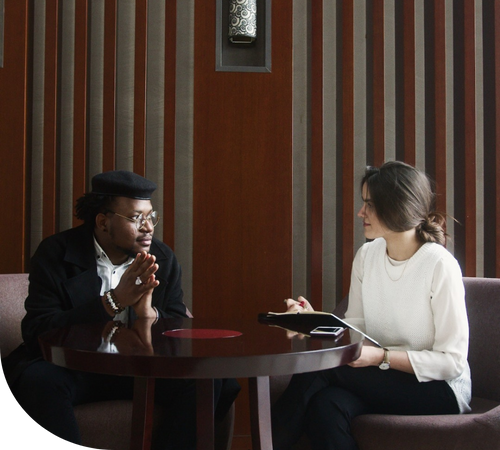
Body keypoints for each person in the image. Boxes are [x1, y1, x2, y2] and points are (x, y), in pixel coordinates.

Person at [1, 170, 239, 449]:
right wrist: (112, 301)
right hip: (76, 368)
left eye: (151, 217)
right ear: (103, 221)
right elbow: (37, 331)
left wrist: (149, 315)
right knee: (37, 380)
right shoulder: (56, 252)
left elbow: (178, 330)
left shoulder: (162, 259)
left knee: (210, 380)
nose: (148, 227)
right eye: (137, 218)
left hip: (141, 369)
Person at [271, 161, 471, 450]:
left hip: (440, 389)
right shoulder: (367, 256)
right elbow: (356, 331)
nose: (360, 212)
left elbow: (452, 362)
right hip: (383, 377)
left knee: (323, 368)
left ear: (397, 208)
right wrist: (313, 320)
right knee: (326, 406)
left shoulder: (440, 265)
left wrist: (380, 357)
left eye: (369, 204)